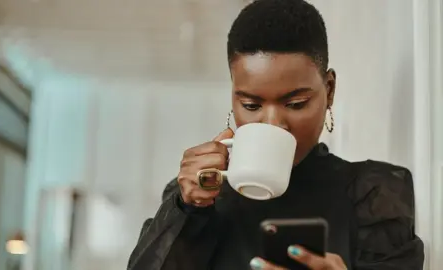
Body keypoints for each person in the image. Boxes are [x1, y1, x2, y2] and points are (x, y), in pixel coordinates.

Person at [127, 0, 425, 269]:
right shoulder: (197, 200)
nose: (272, 123)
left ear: (329, 91)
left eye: (295, 104)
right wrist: (188, 210)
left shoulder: (374, 198)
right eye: (251, 105)